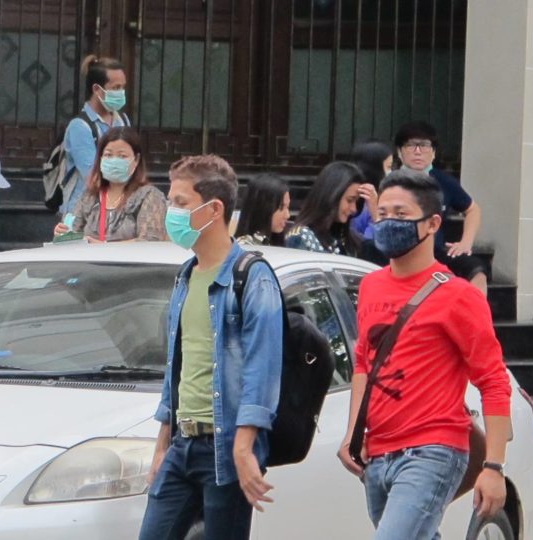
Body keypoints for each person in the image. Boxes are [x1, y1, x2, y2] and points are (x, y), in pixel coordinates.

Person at [336, 170, 511, 539]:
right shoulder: (370, 285)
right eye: (381, 214)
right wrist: (353, 433)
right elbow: (364, 363)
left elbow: (493, 381)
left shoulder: (459, 296)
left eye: (401, 214)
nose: (388, 223)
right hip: (378, 454)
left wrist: (493, 467)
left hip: (433, 450)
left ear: (433, 223)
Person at [139, 155, 283, 539]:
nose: (172, 212)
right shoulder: (186, 276)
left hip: (224, 447)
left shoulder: (251, 277)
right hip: (182, 446)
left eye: (181, 203)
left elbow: (262, 367)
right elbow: (179, 367)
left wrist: (243, 447)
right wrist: (162, 444)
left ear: (213, 209)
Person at [394, 121, 487, 294]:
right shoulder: (391, 182)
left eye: (425, 146)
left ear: (434, 153)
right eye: (411, 145)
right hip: (400, 253)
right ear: (400, 152)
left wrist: (466, 242)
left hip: (435, 252)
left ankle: (476, 319)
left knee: (476, 272)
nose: (418, 151)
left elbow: (473, 209)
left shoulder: (443, 182)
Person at [52, 127, 166, 242]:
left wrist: (103, 247)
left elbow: (150, 241)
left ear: (136, 159)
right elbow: (73, 234)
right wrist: (63, 233)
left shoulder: (149, 196)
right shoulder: (90, 196)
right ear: (100, 158)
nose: (114, 160)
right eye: (108, 155)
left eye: (122, 156)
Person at [58, 55, 131, 216]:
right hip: (82, 213)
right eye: (115, 88)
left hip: (116, 210)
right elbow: (92, 177)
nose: (121, 93)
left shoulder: (122, 121)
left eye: (122, 88)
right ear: (97, 89)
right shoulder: (80, 127)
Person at [284, 162, 376, 258]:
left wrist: (376, 215)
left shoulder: (351, 240)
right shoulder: (302, 237)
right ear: (332, 196)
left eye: (357, 202)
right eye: (350, 200)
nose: (354, 209)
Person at [349, 139, 394, 241]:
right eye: (389, 167)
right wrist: (375, 211)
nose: (391, 172)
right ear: (375, 169)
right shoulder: (366, 202)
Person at [234, 173, 290, 246]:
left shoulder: (274, 240)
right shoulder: (245, 246)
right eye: (281, 207)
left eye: (288, 207)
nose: (287, 215)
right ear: (262, 207)